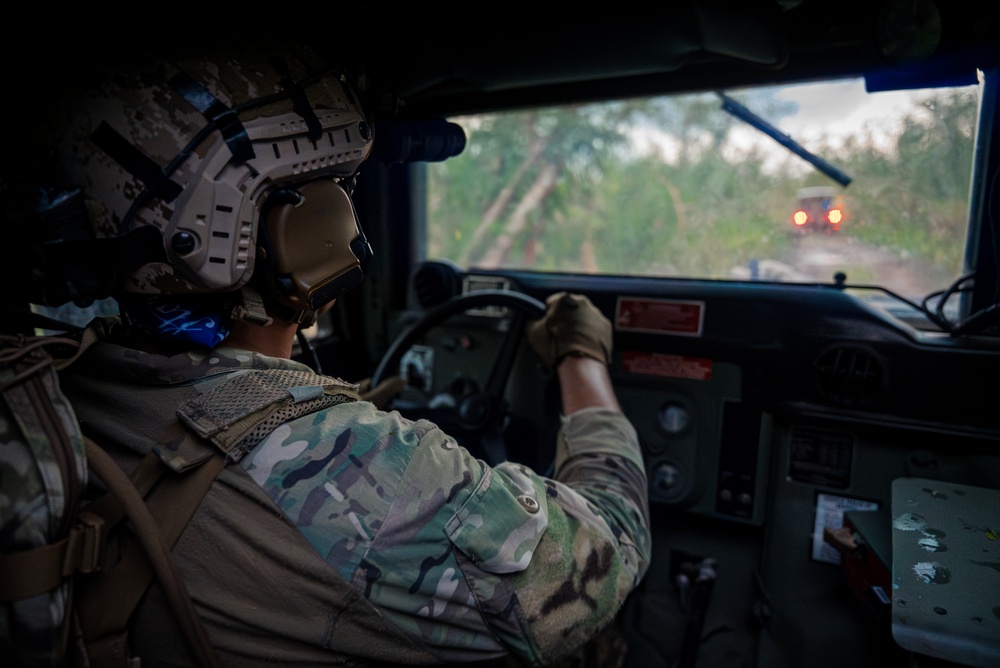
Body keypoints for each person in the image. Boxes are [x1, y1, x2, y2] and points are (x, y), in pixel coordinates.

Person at [7, 34, 651, 667]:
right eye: (337, 189)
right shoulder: (375, 469)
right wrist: (581, 356)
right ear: (301, 231)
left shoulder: (60, 388)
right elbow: (610, 548)